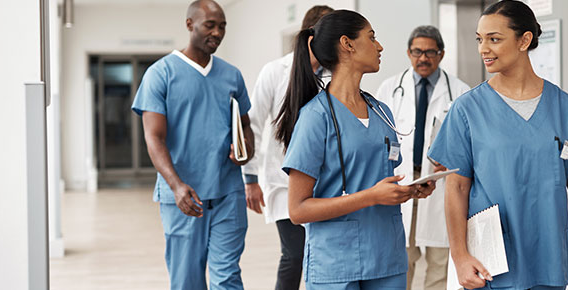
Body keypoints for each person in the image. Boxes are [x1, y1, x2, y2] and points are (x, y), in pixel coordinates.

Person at [427, 1, 568, 290]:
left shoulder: (563, 107)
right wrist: (460, 255)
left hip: (549, 258)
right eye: (480, 39)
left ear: (524, 40)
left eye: (494, 39)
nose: (483, 49)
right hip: (490, 264)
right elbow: (456, 187)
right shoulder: (467, 109)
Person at [275, 10, 436, 290]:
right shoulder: (316, 117)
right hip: (337, 262)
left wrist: (408, 190)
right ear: (347, 44)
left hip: (387, 256)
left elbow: (377, 178)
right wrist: (371, 196)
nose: (380, 46)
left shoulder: (381, 111)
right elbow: (298, 210)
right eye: (372, 37)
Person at [131, 0, 254, 289]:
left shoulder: (232, 75)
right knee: (187, 280)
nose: (217, 32)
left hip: (228, 192)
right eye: (210, 25)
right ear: (190, 25)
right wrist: (175, 185)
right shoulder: (160, 74)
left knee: (228, 277)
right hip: (184, 196)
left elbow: (246, 125)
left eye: (222, 26)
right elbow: (154, 137)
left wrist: (246, 147)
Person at [242, 5, 333, 290]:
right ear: (311, 37)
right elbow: (253, 126)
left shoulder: (335, 74)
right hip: (283, 182)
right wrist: (250, 179)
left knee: (321, 256)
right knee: (294, 256)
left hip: (326, 182)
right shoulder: (275, 71)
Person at [376, 25, 470, 290]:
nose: (423, 58)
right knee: (402, 259)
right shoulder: (390, 88)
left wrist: (454, 158)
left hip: (440, 183)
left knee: (440, 261)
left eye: (430, 52)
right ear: (408, 53)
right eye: (417, 51)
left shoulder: (461, 92)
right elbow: (378, 136)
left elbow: (471, 144)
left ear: (441, 54)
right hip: (402, 178)